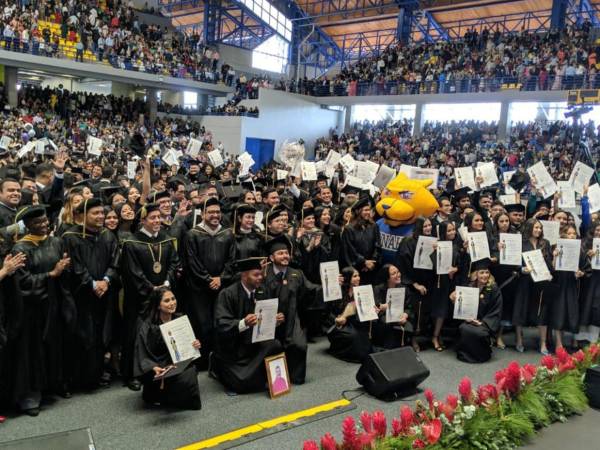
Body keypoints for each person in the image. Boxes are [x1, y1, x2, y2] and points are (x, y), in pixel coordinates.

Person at [9, 206, 71, 416]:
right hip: (32, 310)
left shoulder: (55, 241)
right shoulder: (20, 249)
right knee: (31, 353)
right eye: (38, 223)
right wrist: (51, 274)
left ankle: (54, 385)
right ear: (27, 226)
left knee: (53, 347)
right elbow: (23, 282)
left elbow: (64, 269)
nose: (44, 225)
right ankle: (30, 397)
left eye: (45, 221)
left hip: (53, 303)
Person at [120, 203, 180, 390]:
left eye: (158, 217)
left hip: (164, 294)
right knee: (136, 334)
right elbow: (132, 272)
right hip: (140, 299)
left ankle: (167, 367)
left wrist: (166, 285)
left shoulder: (167, 240)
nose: (156, 221)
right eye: (152, 218)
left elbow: (174, 264)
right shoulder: (131, 243)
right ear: (143, 220)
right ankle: (133, 375)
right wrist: (151, 289)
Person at [62, 198, 119, 390]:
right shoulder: (70, 237)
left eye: (102, 213)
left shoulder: (108, 236)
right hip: (82, 297)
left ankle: (96, 374)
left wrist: (107, 280)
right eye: (95, 213)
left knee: (102, 334)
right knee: (83, 336)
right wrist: (93, 284)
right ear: (83, 215)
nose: (101, 216)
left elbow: (115, 262)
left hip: (105, 294)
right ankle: (77, 379)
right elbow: (75, 267)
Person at [213, 257, 283, 394]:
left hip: (254, 343)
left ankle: (258, 376)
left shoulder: (262, 291)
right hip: (234, 349)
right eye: (256, 275)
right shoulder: (227, 294)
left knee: (275, 345)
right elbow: (221, 324)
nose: (260, 277)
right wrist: (243, 323)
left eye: (261, 274)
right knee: (242, 383)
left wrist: (274, 320)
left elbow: (265, 321)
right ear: (244, 276)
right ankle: (218, 368)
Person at [183, 197, 234, 364]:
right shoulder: (192, 235)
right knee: (202, 324)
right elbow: (192, 261)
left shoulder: (227, 234)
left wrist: (221, 278)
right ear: (203, 214)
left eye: (217, 212)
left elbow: (231, 260)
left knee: (220, 322)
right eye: (210, 212)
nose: (215, 215)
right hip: (199, 289)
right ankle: (203, 360)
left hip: (221, 286)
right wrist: (207, 280)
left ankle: (220, 358)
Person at [134, 287, 201, 410]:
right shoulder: (148, 326)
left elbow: (187, 344)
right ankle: (157, 395)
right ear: (158, 306)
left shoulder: (180, 319)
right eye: (167, 301)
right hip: (158, 366)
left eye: (173, 299)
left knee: (190, 372)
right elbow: (142, 352)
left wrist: (195, 344)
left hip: (176, 362)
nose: (172, 303)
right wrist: (153, 367)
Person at [262, 235, 314, 384]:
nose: (285, 256)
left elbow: (311, 290)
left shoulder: (296, 273)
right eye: (280, 253)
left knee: (299, 344)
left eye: (286, 253)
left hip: (292, 317)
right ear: (272, 258)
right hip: (268, 320)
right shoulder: (264, 274)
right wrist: (271, 317)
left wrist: (330, 285)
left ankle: (295, 377)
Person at [394, 216, 435, 352]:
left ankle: (420, 337)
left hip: (428, 282)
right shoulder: (408, 242)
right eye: (425, 226)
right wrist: (414, 284)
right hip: (411, 283)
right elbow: (402, 265)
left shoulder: (432, 241)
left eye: (430, 225)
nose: (428, 228)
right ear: (419, 228)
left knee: (424, 312)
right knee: (413, 312)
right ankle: (412, 339)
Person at [451, 258, 502, 363]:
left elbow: (497, 309)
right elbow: (462, 306)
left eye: (487, 272)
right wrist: (453, 298)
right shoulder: (469, 287)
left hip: (485, 322)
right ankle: (464, 355)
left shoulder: (494, 288)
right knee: (464, 328)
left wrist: (482, 323)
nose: (485, 275)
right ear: (476, 274)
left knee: (479, 332)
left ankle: (482, 355)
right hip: (469, 320)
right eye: (481, 272)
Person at [549, 224, 586, 350]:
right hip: (559, 283)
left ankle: (573, 339)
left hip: (572, 284)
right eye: (568, 233)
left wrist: (580, 273)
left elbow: (584, 268)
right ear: (562, 234)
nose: (571, 236)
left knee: (572, 312)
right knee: (559, 312)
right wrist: (555, 257)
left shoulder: (580, 249)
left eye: (573, 233)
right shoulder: (555, 247)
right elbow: (551, 269)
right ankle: (558, 342)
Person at [327, 266, 374, 362]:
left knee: (363, 338)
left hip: (355, 322)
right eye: (355, 276)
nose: (358, 278)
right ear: (348, 278)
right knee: (353, 336)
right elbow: (329, 312)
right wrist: (338, 319)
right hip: (340, 323)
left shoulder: (362, 290)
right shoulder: (338, 291)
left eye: (359, 276)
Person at [430, 221, 460, 351]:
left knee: (447, 310)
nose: (452, 232)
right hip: (438, 282)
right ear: (443, 232)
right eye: (449, 231)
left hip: (452, 281)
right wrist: (435, 252)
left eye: (453, 229)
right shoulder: (437, 245)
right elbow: (433, 266)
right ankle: (435, 336)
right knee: (439, 310)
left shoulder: (457, 246)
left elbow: (461, 264)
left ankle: (439, 334)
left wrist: (456, 268)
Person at [373, 264, 414, 349]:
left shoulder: (405, 289)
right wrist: (383, 307)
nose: (398, 275)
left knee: (409, 326)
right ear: (387, 277)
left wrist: (405, 315)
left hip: (401, 315)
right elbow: (377, 308)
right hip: (384, 316)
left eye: (398, 272)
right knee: (387, 324)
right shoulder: (378, 289)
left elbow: (409, 306)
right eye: (394, 273)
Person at [342, 197, 381, 283]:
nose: (368, 212)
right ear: (358, 211)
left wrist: (372, 262)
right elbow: (350, 250)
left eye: (369, 210)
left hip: (371, 269)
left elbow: (377, 245)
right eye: (365, 210)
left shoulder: (374, 226)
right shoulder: (349, 229)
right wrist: (364, 262)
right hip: (356, 270)